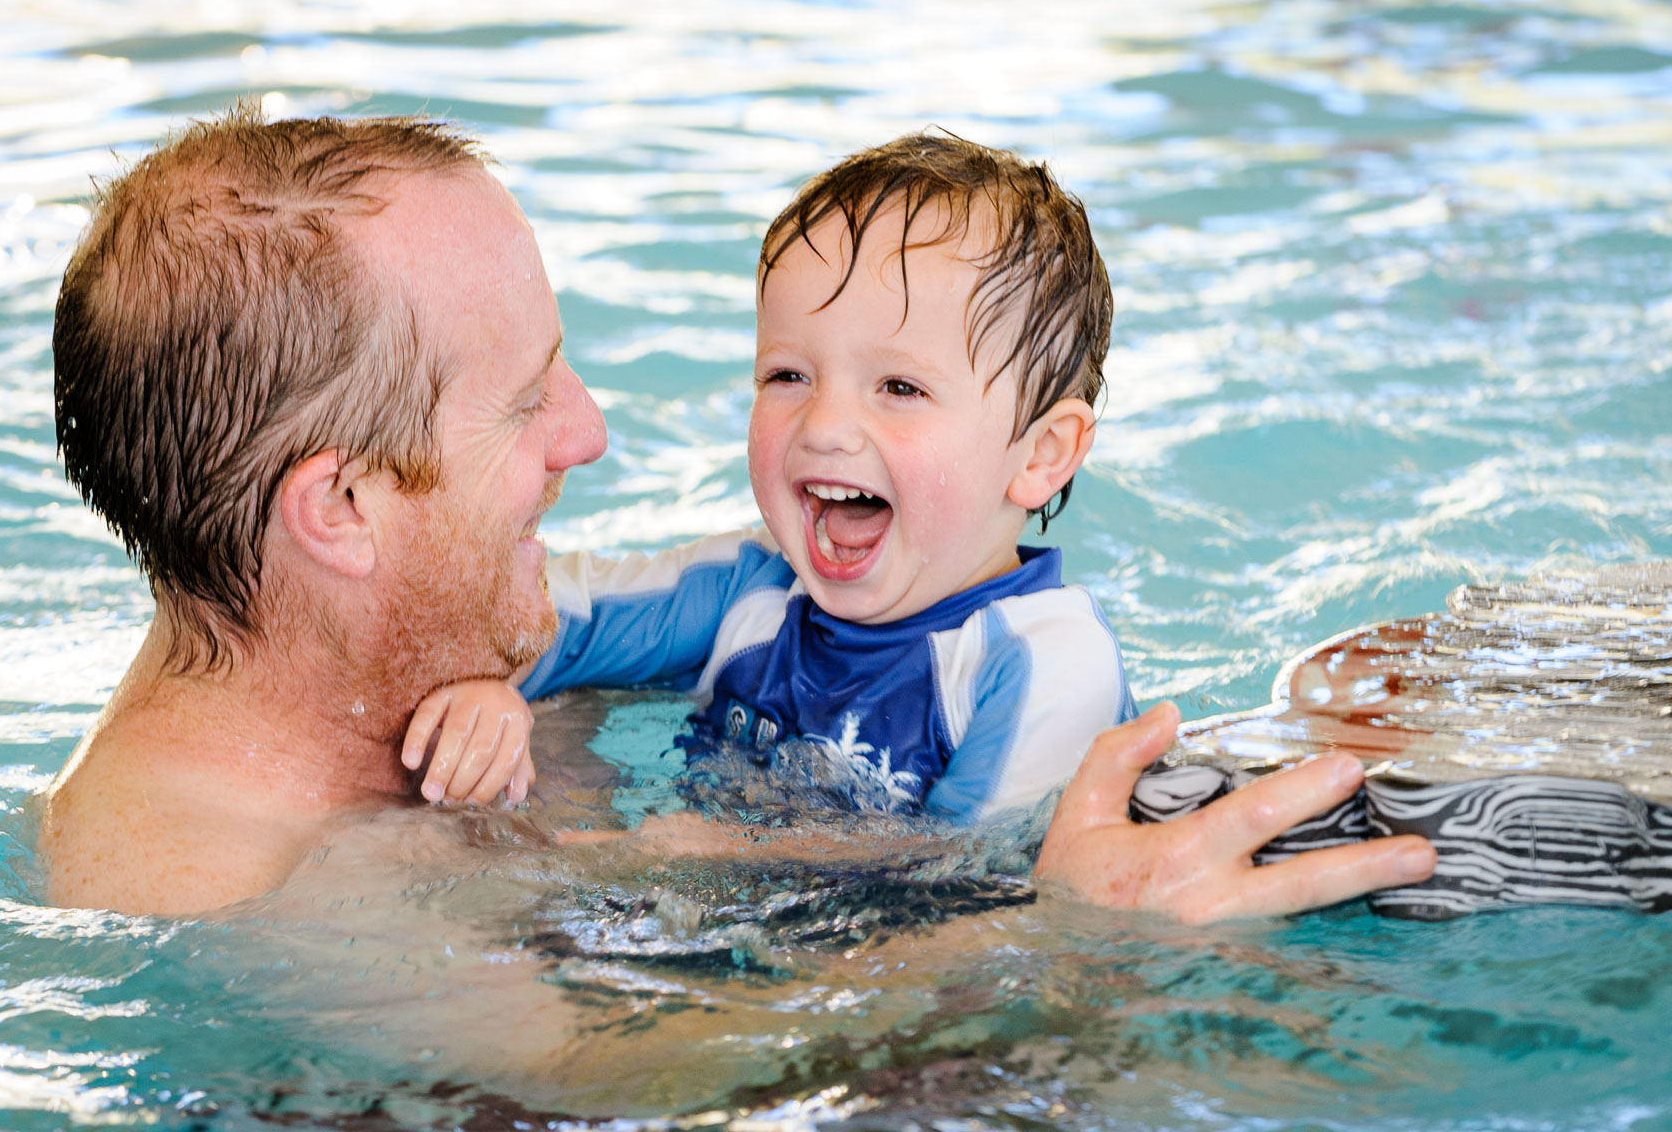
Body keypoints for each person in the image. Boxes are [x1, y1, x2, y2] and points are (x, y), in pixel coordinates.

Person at [38, 105, 1435, 919]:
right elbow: (643, 1102)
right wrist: (1084, 948)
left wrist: (514, 705)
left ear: (1041, 451)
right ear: (340, 504)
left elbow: (964, 866)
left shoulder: (1028, 655)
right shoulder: (261, 896)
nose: (591, 428)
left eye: (898, 385)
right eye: (529, 400)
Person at [405, 134, 1134, 824]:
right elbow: (519, 622)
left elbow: (972, 911)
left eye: (899, 388)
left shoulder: (1046, 663)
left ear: (1042, 454)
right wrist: (486, 691)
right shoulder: (749, 589)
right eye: (788, 375)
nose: (823, 426)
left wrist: (718, 859)